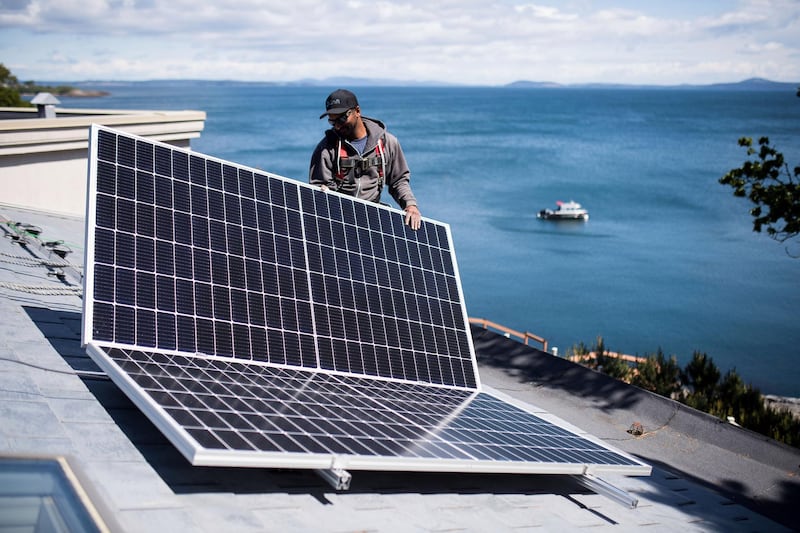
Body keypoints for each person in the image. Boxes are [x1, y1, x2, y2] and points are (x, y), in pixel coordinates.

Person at [309, 89, 422, 230]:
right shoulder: (326, 148)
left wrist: (410, 205)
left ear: (357, 111)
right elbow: (318, 187)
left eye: (341, 119)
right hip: (338, 221)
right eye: (332, 121)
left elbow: (398, 181)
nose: (337, 125)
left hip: (372, 220)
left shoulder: (387, 143)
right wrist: (323, 193)